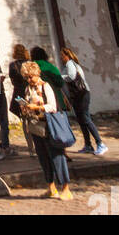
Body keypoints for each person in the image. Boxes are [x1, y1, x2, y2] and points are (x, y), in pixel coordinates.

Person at [17, 59, 72, 200]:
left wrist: (36, 107)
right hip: (36, 127)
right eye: (27, 77)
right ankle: (51, 188)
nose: (30, 79)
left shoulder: (45, 86)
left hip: (49, 126)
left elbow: (53, 107)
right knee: (43, 158)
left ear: (37, 74)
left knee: (57, 157)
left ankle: (66, 188)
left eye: (31, 76)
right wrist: (24, 108)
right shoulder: (27, 89)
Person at [60, 46, 107, 157]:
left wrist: (60, 77)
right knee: (81, 120)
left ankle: (100, 143)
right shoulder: (71, 65)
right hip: (78, 95)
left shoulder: (70, 64)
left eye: (62, 56)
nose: (61, 58)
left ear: (67, 55)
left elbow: (71, 77)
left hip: (82, 94)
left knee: (86, 119)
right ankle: (88, 145)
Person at [8, 44, 35, 153]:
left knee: (24, 119)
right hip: (30, 93)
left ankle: (30, 147)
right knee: (33, 118)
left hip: (19, 94)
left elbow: (12, 80)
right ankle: (37, 143)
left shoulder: (12, 65)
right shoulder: (30, 64)